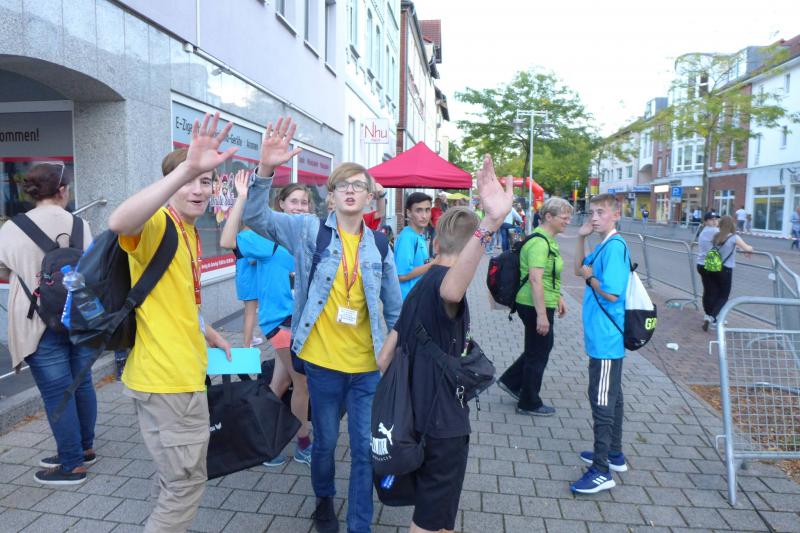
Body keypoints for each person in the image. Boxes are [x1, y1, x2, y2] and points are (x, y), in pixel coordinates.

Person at [243, 116, 402, 533]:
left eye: (358, 185)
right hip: (321, 362)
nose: (350, 190)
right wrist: (265, 170)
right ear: (330, 197)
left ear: (369, 197)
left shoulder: (379, 244)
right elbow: (256, 217)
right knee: (326, 442)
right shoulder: (308, 230)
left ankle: (360, 524)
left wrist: (391, 355)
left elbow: (395, 310)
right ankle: (324, 501)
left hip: (367, 367)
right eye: (342, 185)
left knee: (365, 449)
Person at [107, 114, 233, 532]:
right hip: (170, 381)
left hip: (171, 374)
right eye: (188, 181)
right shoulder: (159, 223)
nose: (198, 190)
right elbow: (119, 221)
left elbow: (178, 298)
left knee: (172, 478)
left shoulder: (189, 231)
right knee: (185, 484)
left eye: (205, 181)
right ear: (171, 183)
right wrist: (186, 169)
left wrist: (209, 333)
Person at [377, 154, 513, 533]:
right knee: (430, 522)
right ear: (473, 249)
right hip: (443, 424)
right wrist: (490, 223)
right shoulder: (444, 286)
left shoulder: (420, 286)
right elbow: (453, 289)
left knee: (435, 515)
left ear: (435, 241)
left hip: (411, 418)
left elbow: (384, 357)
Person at [0, 163, 97, 486]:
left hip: (37, 321)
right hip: (79, 318)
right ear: (62, 190)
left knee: (57, 393)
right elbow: (94, 267)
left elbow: (2, 269)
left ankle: (71, 464)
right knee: (81, 383)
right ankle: (83, 448)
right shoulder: (81, 225)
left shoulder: (12, 228)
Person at [222, 173, 314, 466]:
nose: (300, 207)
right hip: (281, 322)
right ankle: (303, 445)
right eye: (294, 201)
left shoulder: (308, 237)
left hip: (302, 322)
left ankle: (261, 442)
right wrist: (242, 198)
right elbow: (226, 240)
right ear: (281, 204)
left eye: (304, 202)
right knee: (302, 384)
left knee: (280, 383)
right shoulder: (265, 238)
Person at [571, 193, 630, 494]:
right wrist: (580, 237)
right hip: (601, 337)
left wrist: (590, 278)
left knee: (602, 400)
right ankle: (614, 454)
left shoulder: (615, 247)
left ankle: (601, 470)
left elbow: (612, 293)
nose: (594, 218)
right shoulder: (603, 245)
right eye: (592, 212)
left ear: (616, 215)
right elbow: (577, 268)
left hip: (607, 338)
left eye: (601, 212)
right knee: (613, 396)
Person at [497, 198, 572, 416]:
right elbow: (535, 279)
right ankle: (529, 402)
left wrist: (558, 297)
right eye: (564, 217)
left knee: (538, 348)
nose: (568, 221)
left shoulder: (547, 239)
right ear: (548, 217)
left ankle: (511, 382)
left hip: (538, 301)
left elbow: (549, 276)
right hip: (534, 304)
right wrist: (542, 315)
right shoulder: (540, 243)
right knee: (538, 353)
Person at [220, 172, 263, 349]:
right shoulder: (251, 236)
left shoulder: (240, 234)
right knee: (250, 313)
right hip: (250, 279)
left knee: (248, 311)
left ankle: (250, 338)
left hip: (243, 277)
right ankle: (247, 345)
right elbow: (252, 261)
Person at [696, 214, 753, 331]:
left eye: (717, 220)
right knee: (723, 296)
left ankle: (711, 315)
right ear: (733, 225)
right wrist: (749, 249)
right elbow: (747, 248)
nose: (715, 221)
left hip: (714, 267)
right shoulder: (734, 237)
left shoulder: (716, 236)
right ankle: (712, 317)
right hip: (726, 269)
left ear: (720, 224)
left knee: (713, 292)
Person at [395, 192, 433, 300]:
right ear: (409, 213)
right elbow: (402, 275)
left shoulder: (418, 235)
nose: (424, 216)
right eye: (418, 210)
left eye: (427, 210)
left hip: (417, 298)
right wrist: (434, 264)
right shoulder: (407, 237)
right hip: (407, 300)